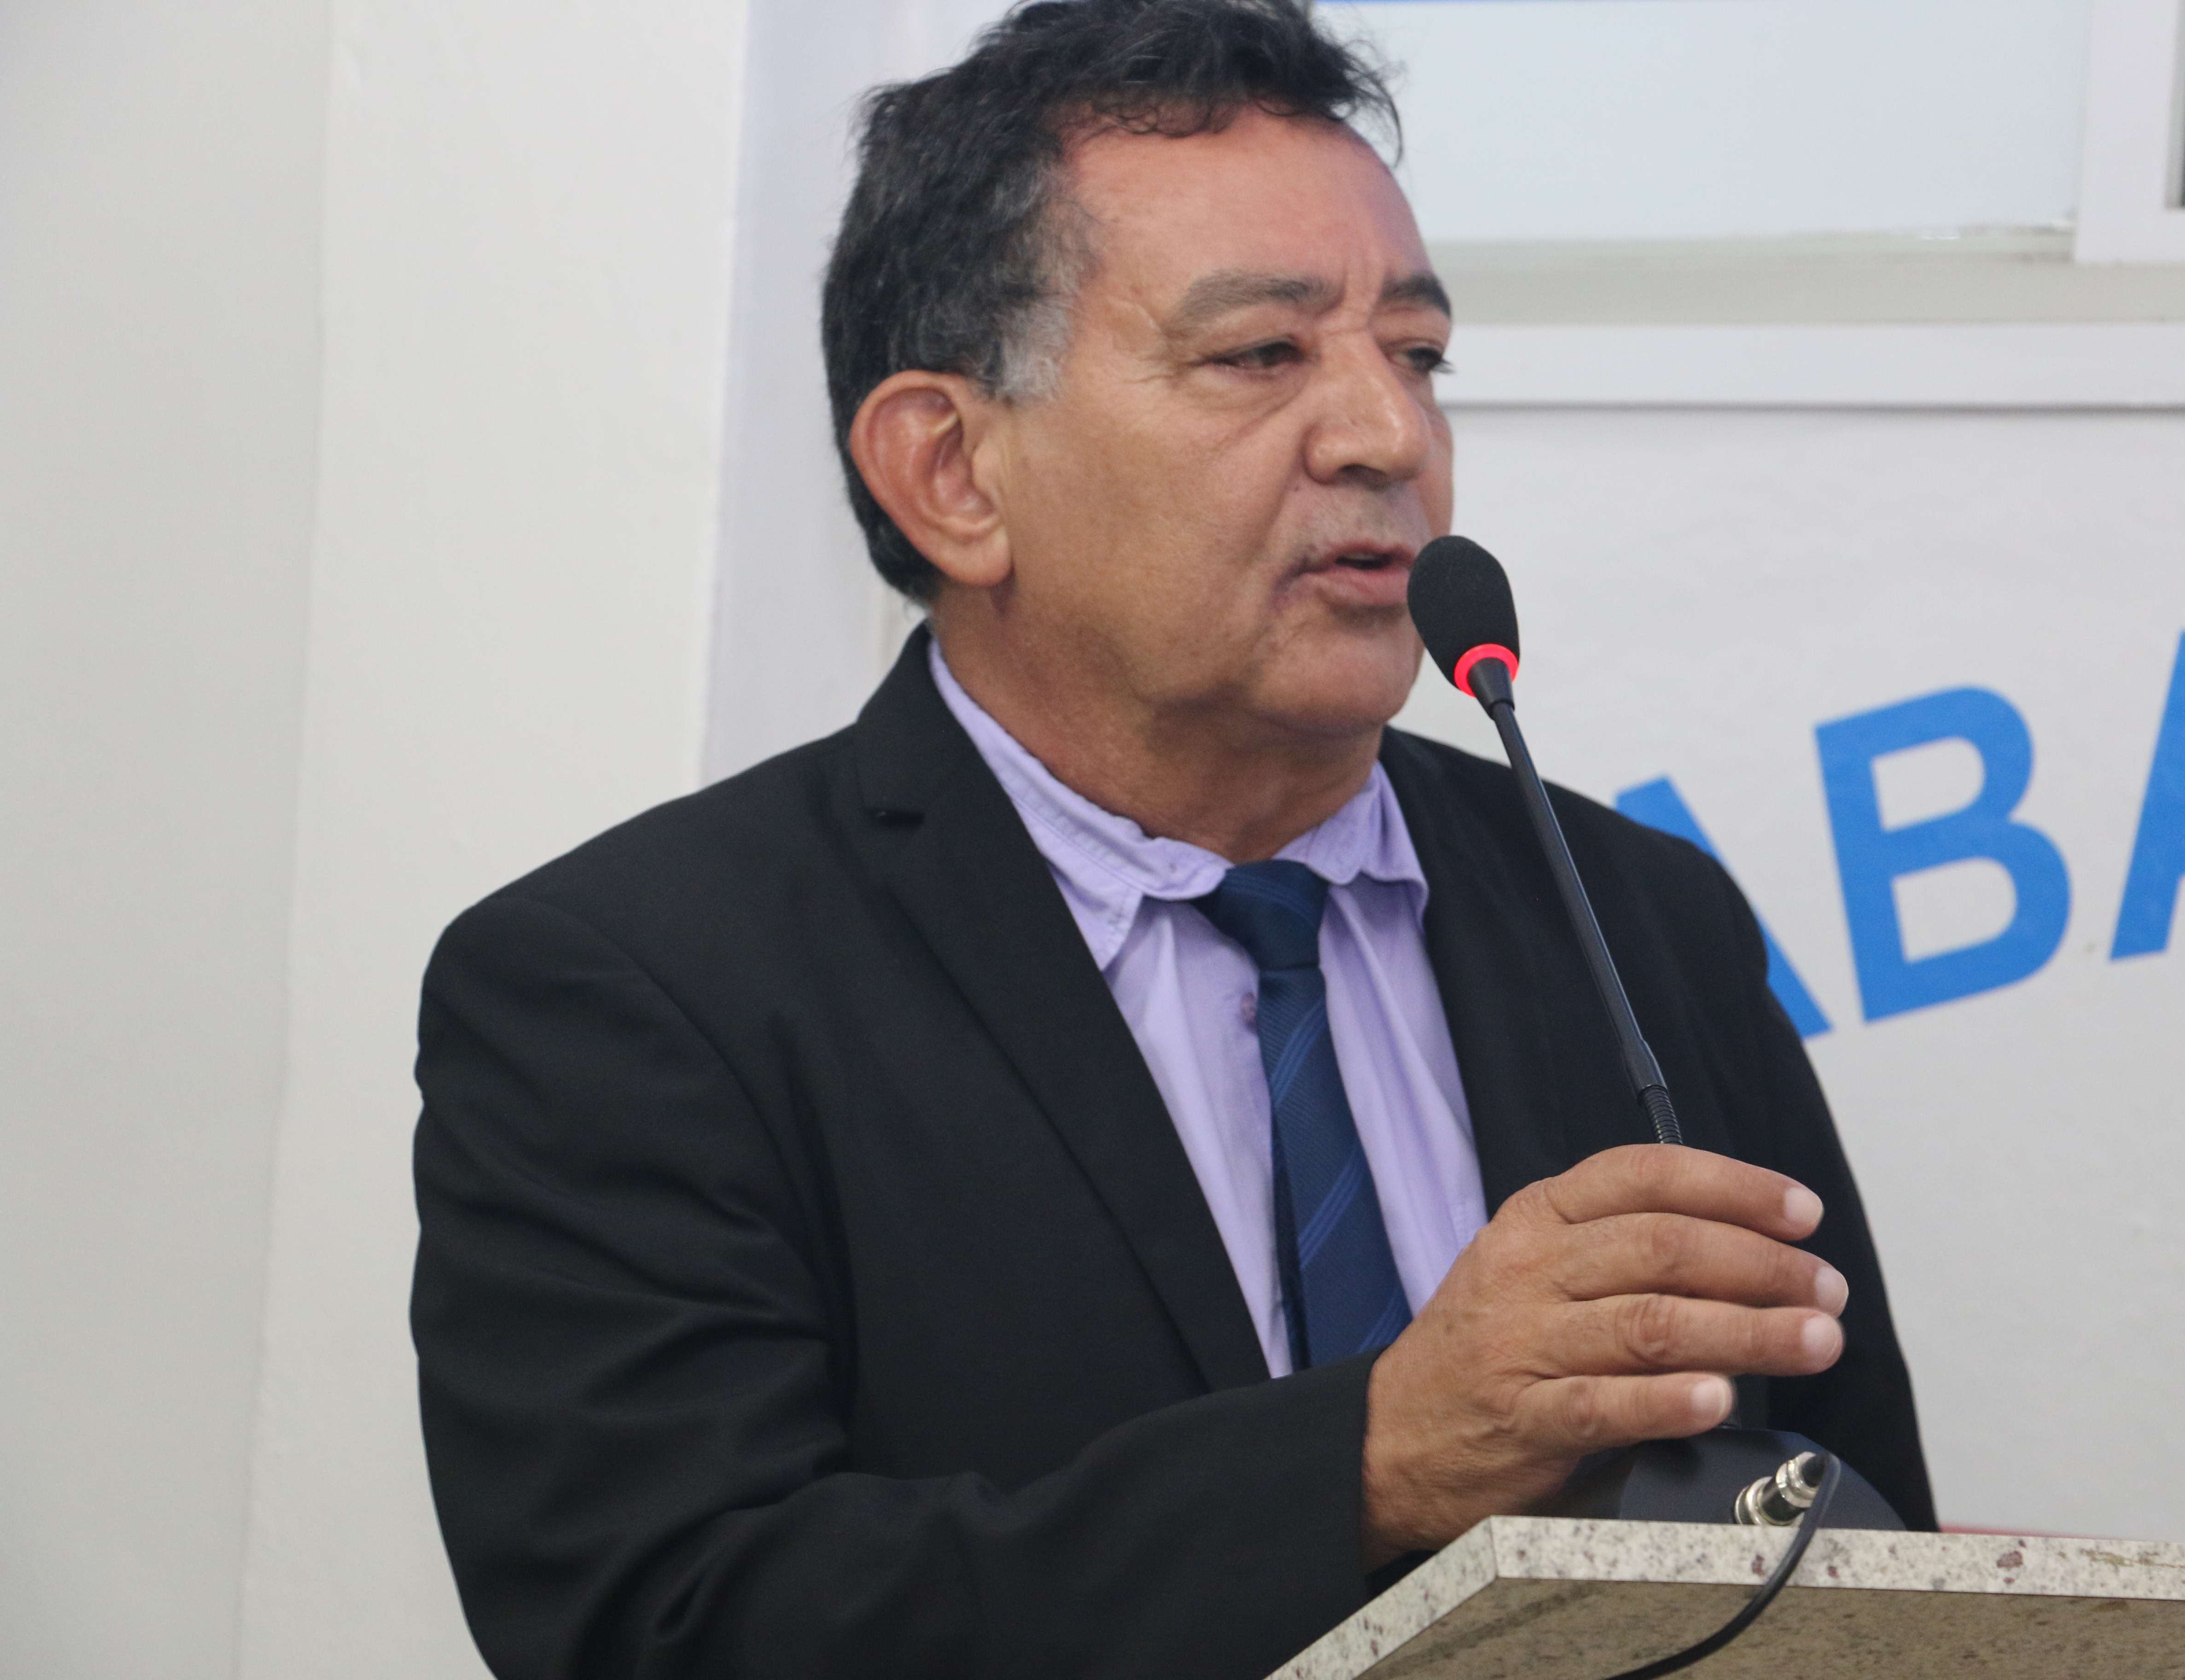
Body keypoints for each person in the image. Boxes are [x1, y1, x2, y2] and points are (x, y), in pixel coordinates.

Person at [410, 1, 1934, 1675]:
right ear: (952, 473)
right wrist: (1368, 1462)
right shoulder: (644, 987)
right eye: (1262, 356)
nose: (1386, 435)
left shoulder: (1638, 919)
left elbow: (1852, 1554)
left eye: (1416, 354)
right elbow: (671, 1626)